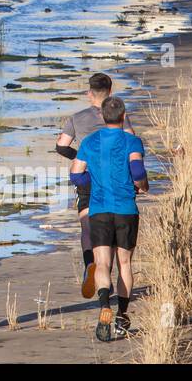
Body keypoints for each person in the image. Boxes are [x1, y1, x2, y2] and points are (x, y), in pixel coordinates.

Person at [69, 96, 148, 342]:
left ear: (102, 117)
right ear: (123, 117)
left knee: (102, 263)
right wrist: (143, 186)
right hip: (125, 209)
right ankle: (122, 315)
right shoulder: (132, 141)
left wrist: (94, 184)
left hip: (99, 209)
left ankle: (104, 304)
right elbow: (137, 171)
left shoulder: (90, 141)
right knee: (125, 264)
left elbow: (76, 174)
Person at [54, 72, 136, 300]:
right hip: (117, 179)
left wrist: (81, 156)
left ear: (89, 93)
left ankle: (91, 264)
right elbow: (131, 144)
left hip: (88, 176)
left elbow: (61, 146)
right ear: (110, 92)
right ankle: (105, 274)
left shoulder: (76, 118)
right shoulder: (120, 117)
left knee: (88, 225)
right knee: (113, 225)